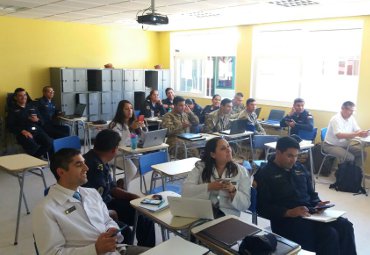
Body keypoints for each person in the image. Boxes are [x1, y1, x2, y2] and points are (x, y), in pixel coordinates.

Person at [32, 148, 149, 255]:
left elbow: (107, 220)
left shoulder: (91, 193)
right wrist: (95, 249)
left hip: (115, 250)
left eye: (84, 163)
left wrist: (111, 229)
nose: (86, 168)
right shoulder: (45, 210)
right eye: (79, 165)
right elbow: (52, 253)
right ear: (61, 172)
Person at [254, 136, 357, 255]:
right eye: (290, 156)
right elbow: (262, 208)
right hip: (287, 221)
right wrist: (288, 212)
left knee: (345, 226)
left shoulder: (300, 168)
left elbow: (311, 194)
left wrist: (318, 203)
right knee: (329, 234)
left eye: (296, 156)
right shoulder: (265, 174)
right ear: (278, 153)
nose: (293, 160)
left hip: (310, 214)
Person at [83, 129, 155, 248]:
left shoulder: (98, 158)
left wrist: (133, 197)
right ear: (114, 150)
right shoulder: (93, 167)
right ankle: (141, 249)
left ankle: (145, 250)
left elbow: (111, 188)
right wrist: (109, 213)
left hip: (107, 201)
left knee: (144, 214)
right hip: (99, 209)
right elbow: (91, 203)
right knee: (129, 228)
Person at [183, 137, 251, 217]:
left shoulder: (241, 171)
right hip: (204, 213)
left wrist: (233, 191)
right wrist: (209, 186)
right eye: (223, 148)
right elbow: (186, 191)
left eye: (228, 146)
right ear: (213, 154)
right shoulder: (201, 167)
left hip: (228, 215)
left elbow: (245, 204)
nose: (228, 150)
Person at [109, 100, 146, 188]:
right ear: (120, 111)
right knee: (132, 170)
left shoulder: (133, 122)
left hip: (131, 152)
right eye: (126, 109)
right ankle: (124, 189)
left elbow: (143, 139)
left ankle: (121, 183)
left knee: (143, 168)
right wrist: (130, 128)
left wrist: (143, 128)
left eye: (131, 108)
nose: (130, 111)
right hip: (117, 153)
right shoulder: (114, 125)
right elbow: (121, 143)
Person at [7, 87, 53, 158]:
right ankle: (35, 158)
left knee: (49, 142)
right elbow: (10, 126)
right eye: (20, 95)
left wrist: (37, 120)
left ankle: (35, 158)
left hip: (36, 130)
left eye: (25, 95)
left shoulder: (32, 106)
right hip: (23, 132)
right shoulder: (12, 110)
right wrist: (22, 131)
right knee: (32, 145)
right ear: (16, 98)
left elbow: (42, 122)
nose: (23, 97)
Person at [323, 101, 368, 167]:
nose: (352, 113)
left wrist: (363, 133)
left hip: (344, 145)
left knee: (362, 154)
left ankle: (355, 173)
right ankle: (345, 175)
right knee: (350, 157)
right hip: (330, 145)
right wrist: (357, 134)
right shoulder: (335, 119)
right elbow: (339, 135)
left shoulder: (351, 118)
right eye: (350, 110)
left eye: (353, 111)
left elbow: (357, 130)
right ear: (343, 109)